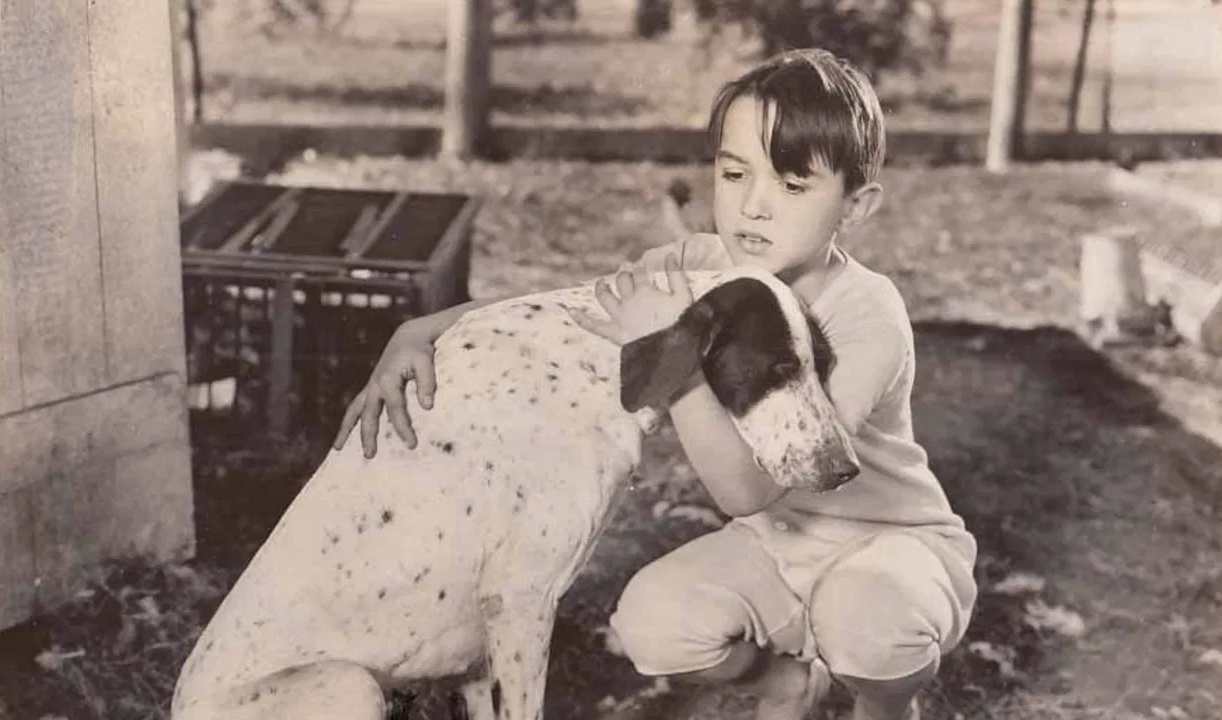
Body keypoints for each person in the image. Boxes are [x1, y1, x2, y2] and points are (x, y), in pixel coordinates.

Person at [332, 47, 977, 720]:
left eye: (792, 185)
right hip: (778, 551)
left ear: (857, 203)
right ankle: (783, 684)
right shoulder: (702, 265)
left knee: (867, 627)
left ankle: (886, 707)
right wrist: (423, 332)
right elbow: (572, 314)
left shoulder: (868, 313)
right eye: (734, 173)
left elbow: (750, 490)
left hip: (892, 549)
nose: (754, 206)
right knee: (651, 623)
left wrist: (673, 353)